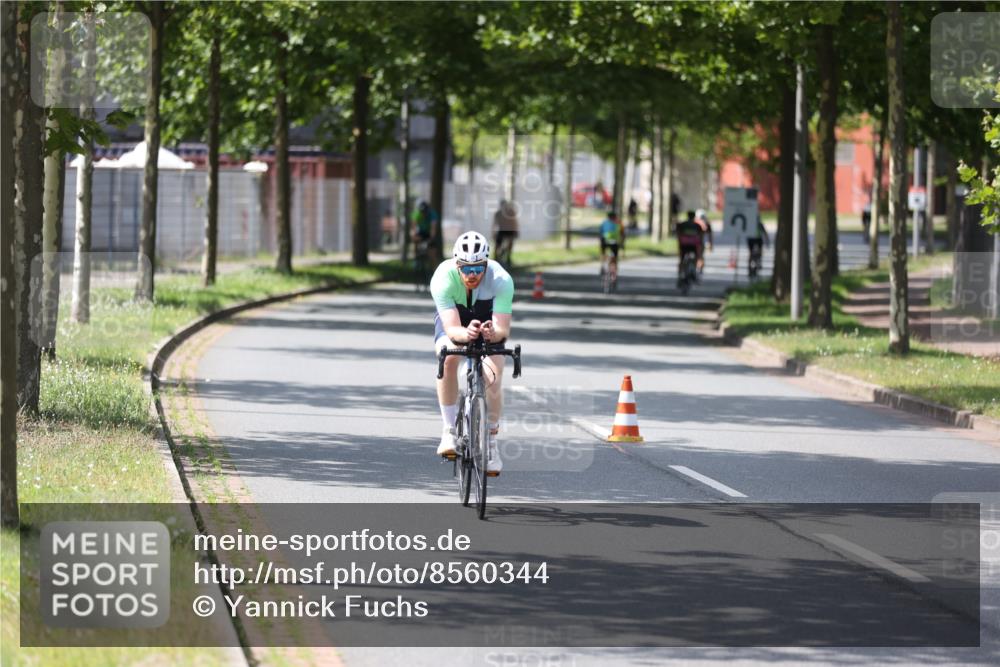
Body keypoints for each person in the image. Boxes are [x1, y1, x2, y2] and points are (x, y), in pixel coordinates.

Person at [432, 231, 514, 476]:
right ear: (456, 265)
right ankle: (449, 430)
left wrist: (492, 333)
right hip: (456, 322)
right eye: (466, 269)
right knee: (447, 358)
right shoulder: (442, 278)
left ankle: (490, 442)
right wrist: (465, 334)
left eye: (478, 268)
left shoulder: (501, 279)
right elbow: (451, 328)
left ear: (486, 264)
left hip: (487, 319)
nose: (472, 275)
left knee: (494, 375)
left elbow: (502, 329)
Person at [676, 210, 704, 286]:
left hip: (684, 245)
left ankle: (680, 275)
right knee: (697, 258)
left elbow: (678, 235)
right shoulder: (697, 226)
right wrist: (701, 247)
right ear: (694, 217)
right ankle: (694, 272)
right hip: (694, 245)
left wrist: (679, 244)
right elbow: (701, 237)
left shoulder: (682, 224)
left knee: (681, 260)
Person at [492, 199, 519, 266]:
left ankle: (508, 258)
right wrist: (493, 233)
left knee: (510, 244)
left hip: (510, 230)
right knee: (498, 244)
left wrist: (516, 230)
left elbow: (514, 222)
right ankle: (496, 257)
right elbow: (494, 224)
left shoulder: (511, 212)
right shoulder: (498, 213)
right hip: (502, 230)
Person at [599, 210, 624, 275]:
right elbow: (622, 234)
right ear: (615, 217)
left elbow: (601, 233)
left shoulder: (604, 223)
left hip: (605, 241)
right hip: (615, 242)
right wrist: (622, 245)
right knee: (615, 257)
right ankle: (614, 270)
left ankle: (602, 266)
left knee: (603, 253)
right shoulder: (619, 223)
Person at [694, 209, 715, 274]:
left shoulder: (693, 222)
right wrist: (710, 245)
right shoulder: (706, 224)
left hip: (687, 242)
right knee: (700, 256)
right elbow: (710, 236)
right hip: (699, 243)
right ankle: (699, 269)